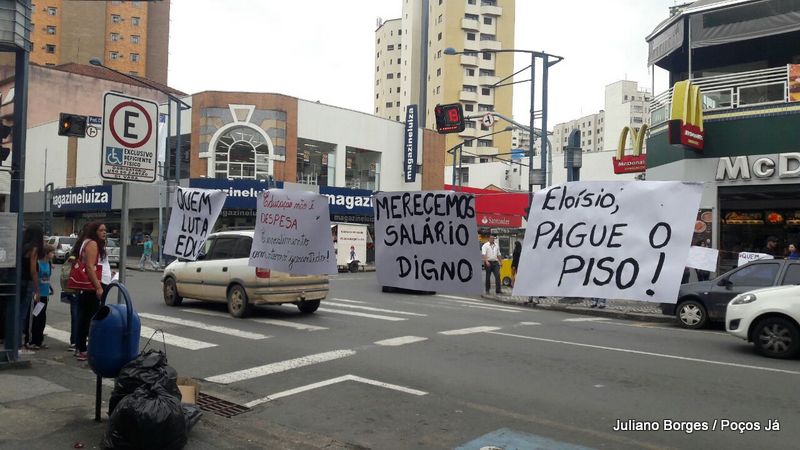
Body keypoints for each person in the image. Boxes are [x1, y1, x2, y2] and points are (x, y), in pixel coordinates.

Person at [72, 222, 111, 361]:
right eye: (101, 230)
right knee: (90, 318)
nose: (104, 232)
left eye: (105, 230)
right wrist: (98, 287)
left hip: (89, 286)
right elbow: (89, 267)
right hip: (92, 286)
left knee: (84, 317)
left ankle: (80, 347)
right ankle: (83, 349)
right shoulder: (93, 244)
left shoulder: (88, 242)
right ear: (94, 231)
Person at [20, 225, 45, 352]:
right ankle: (21, 342)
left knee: (17, 311)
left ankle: (16, 340)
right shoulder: (34, 249)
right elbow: (33, 270)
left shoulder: (23, 246)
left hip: (19, 280)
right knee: (24, 313)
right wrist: (37, 289)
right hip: (28, 282)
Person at [29, 244, 55, 350]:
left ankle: (39, 340)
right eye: (52, 252)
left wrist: (51, 288)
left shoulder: (48, 263)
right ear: (46, 253)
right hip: (38, 293)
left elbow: (47, 278)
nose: (53, 254)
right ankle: (33, 340)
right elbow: (35, 276)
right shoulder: (38, 263)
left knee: (42, 317)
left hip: (45, 293)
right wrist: (36, 291)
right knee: (36, 317)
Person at [60, 255, 80, 351]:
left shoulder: (77, 250)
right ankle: (75, 341)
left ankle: (75, 341)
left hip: (74, 288)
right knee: (77, 316)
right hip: (77, 288)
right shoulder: (78, 253)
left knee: (77, 316)